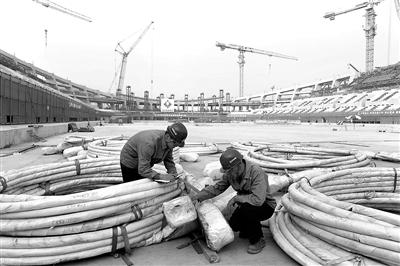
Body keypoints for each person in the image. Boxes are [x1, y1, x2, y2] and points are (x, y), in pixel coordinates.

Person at [192, 148, 275, 254]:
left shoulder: (256, 172)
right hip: (245, 204)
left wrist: (237, 198)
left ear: (239, 164)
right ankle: (248, 228)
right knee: (234, 225)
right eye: (227, 170)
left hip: (265, 206)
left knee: (247, 210)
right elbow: (218, 188)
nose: (228, 173)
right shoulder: (231, 172)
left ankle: (258, 240)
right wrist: (198, 197)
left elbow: (258, 200)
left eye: (230, 170)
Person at [120, 122, 187, 182]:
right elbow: (143, 169)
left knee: (144, 184)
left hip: (143, 162)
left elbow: (168, 160)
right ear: (169, 138)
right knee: (132, 187)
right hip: (129, 161)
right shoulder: (149, 143)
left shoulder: (169, 143)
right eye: (175, 144)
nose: (175, 147)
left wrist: (173, 174)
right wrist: (161, 177)